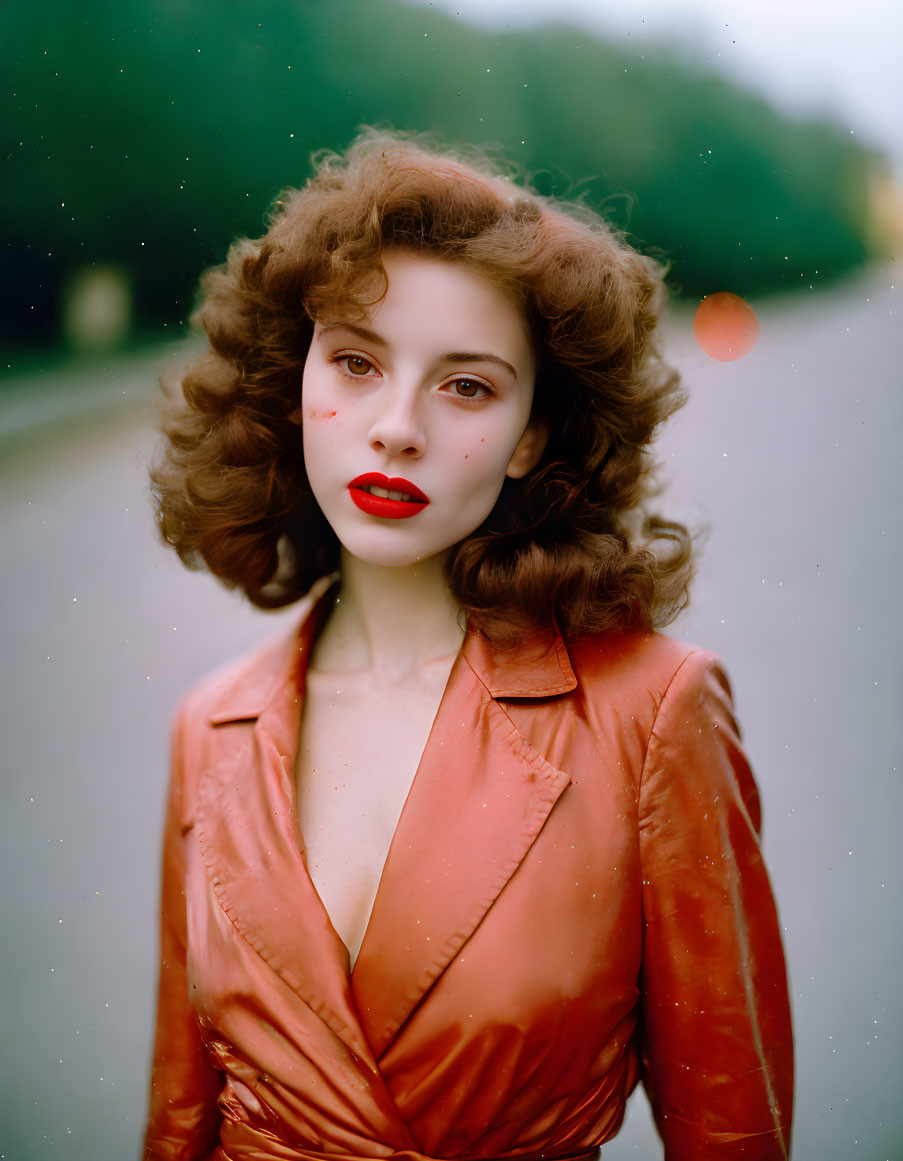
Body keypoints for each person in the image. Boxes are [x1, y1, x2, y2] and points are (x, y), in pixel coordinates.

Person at [144, 130, 793, 1161]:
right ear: (293, 377)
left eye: (467, 387)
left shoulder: (652, 714)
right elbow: (178, 1121)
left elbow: (733, 1132)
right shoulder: (210, 728)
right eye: (355, 361)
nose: (395, 427)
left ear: (534, 434)